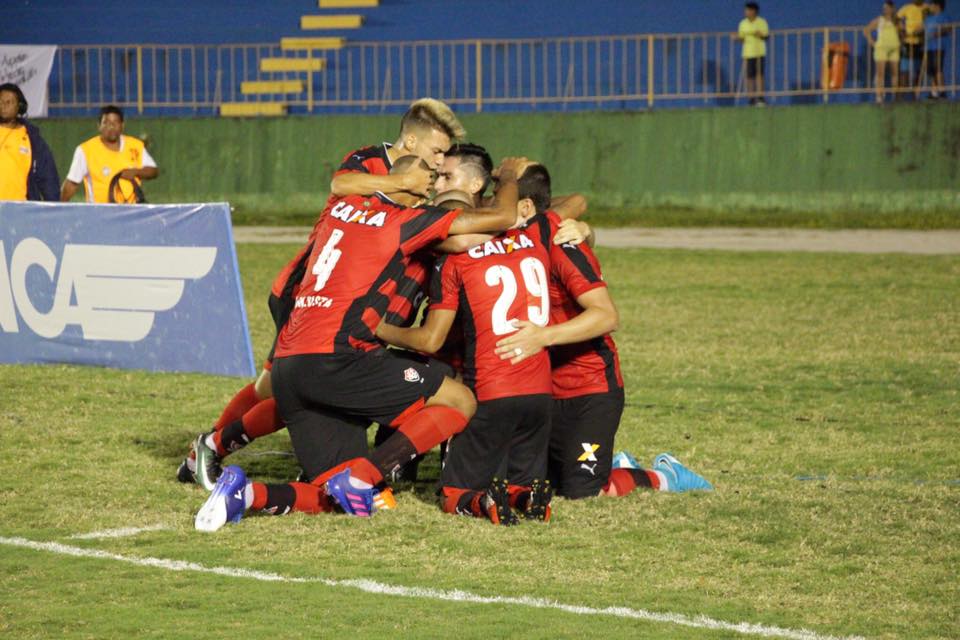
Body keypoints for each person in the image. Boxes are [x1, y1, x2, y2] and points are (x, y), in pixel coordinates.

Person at [194, 155, 528, 531]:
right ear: (406, 184)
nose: (431, 184)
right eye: (428, 175)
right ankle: (368, 473)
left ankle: (244, 494)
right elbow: (499, 220)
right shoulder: (404, 222)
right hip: (339, 356)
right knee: (459, 399)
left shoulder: (342, 206)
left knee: (339, 499)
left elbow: (342, 183)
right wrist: (512, 178)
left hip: (292, 357)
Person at [179, 98, 454, 488]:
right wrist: (400, 184)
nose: (440, 162)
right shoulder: (369, 161)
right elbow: (340, 184)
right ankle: (211, 446)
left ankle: (305, 458)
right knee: (279, 386)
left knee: (317, 387)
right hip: (310, 293)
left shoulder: (421, 182)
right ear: (410, 140)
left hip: (353, 308)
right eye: (436, 151)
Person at [61, 105, 158, 204]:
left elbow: (153, 171)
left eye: (115, 122)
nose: (111, 126)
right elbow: (72, 183)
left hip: (131, 211)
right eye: (106, 123)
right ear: (99, 126)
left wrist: (135, 172)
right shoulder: (85, 150)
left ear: (122, 125)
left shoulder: (135, 146)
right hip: (99, 212)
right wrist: (59, 209)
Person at [0, 83, 59, 202]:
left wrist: (53, 209)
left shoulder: (32, 139)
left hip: (20, 211)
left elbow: (48, 177)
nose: (3, 106)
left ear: (20, 107)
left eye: (9, 102)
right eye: (0, 102)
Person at [866, 1, 903, 103]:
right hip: (881, 49)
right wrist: (872, 42)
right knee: (880, 73)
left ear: (892, 9)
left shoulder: (897, 21)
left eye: (887, 8)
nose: (885, 10)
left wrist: (901, 42)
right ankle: (879, 96)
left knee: (895, 73)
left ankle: (895, 96)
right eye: (884, 8)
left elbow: (902, 32)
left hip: (894, 49)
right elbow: (867, 29)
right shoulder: (879, 20)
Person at [737, 2, 770, 106]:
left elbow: (766, 36)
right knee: (749, 76)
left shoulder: (762, 22)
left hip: (759, 52)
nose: (746, 12)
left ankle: (760, 97)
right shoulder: (742, 23)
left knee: (759, 74)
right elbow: (741, 37)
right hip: (748, 53)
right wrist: (737, 38)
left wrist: (759, 34)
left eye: (748, 10)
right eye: (745, 10)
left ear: (754, 11)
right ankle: (751, 98)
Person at [898, 0, 930, 96]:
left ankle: (916, 94)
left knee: (919, 70)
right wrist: (902, 30)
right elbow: (897, 18)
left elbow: (931, 19)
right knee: (904, 70)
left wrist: (922, 29)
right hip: (908, 43)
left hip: (921, 43)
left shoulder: (927, 8)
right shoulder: (907, 8)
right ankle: (901, 95)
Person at [924, 0, 951, 99]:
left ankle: (942, 91)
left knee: (938, 68)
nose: (930, 7)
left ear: (937, 6)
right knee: (930, 70)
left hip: (938, 47)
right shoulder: (928, 18)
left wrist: (937, 33)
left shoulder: (944, 16)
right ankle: (934, 92)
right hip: (929, 47)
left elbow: (949, 29)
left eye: (931, 5)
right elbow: (924, 30)